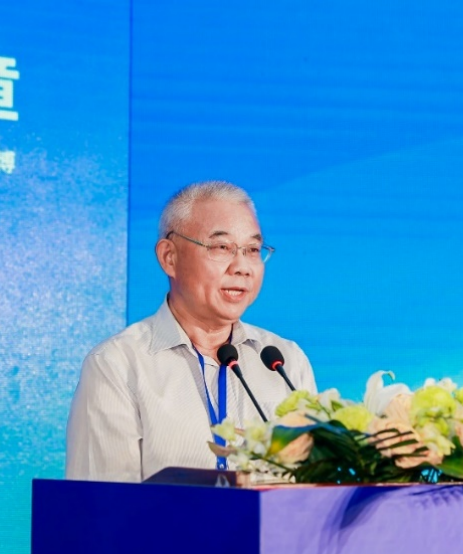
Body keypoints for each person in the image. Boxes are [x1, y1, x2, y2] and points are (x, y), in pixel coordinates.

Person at [65, 181, 317, 481]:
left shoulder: (284, 361)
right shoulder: (118, 366)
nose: (242, 267)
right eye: (222, 247)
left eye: (252, 249)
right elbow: (102, 503)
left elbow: (315, 489)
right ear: (169, 257)